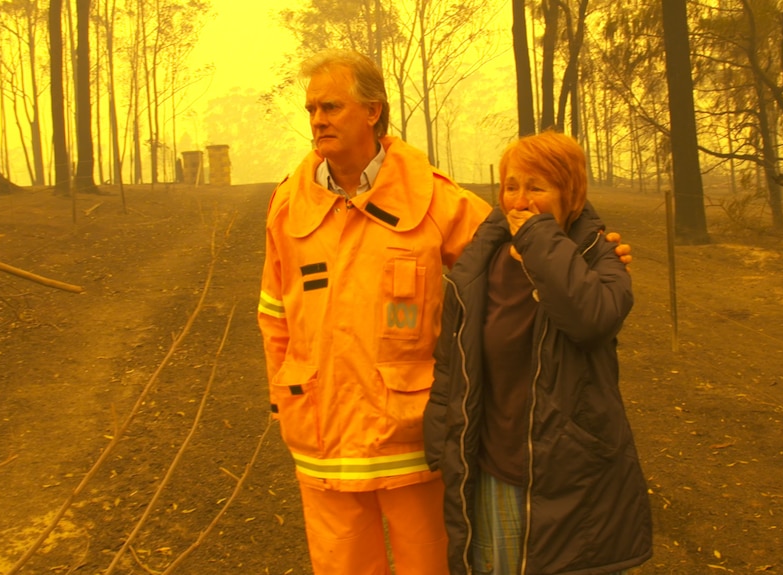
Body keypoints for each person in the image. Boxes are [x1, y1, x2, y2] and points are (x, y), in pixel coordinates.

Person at [257, 49, 633, 574]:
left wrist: (588, 252)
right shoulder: (286, 206)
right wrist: (284, 393)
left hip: (409, 440)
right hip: (321, 437)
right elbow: (274, 313)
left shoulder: (435, 199)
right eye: (312, 109)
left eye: (331, 107)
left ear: (372, 111)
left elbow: (517, 235)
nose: (317, 120)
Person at [422, 131, 652, 575]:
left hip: (572, 474)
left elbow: (590, 320)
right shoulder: (480, 262)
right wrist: (442, 437)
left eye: (537, 187)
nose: (520, 200)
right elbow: (454, 356)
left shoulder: (599, 258)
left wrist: (539, 236)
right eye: (512, 186)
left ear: (571, 194)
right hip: (492, 467)